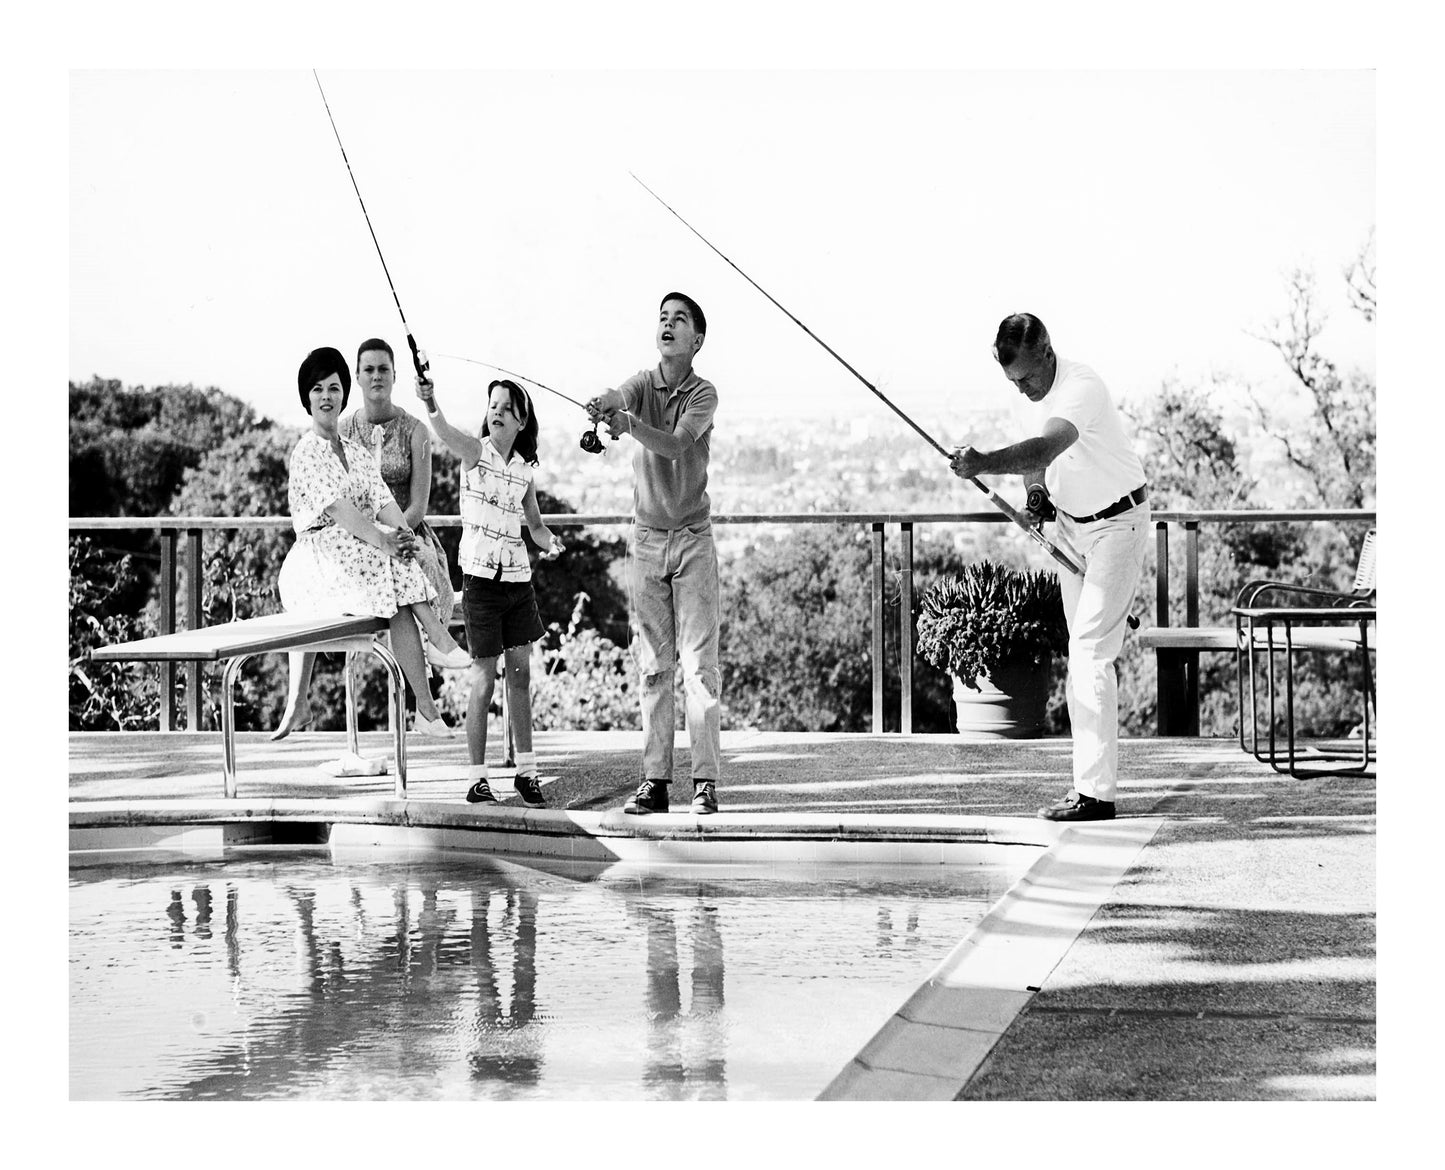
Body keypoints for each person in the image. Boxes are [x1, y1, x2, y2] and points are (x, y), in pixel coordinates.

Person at [949, 313, 1149, 822]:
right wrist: (1037, 496)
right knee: (1083, 651)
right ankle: (1086, 785)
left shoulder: (1080, 385)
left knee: (1089, 652)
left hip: (1117, 523)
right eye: (1013, 381)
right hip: (1072, 526)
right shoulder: (1026, 394)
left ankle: (1096, 794)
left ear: (1047, 352)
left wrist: (982, 462)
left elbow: (1045, 445)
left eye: (1028, 377)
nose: (1024, 389)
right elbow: (1036, 466)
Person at [276, 346, 469, 740]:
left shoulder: (356, 452)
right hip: (317, 560)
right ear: (307, 398)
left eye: (333, 388)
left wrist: (403, 535)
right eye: (317, 390)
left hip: (358, 556)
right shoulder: (307, 452)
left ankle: (427, 713)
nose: (326, 397)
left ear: (344, 392)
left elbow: (383, 501)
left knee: (396, 594)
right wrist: (385, 542)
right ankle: (438, 637)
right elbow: (342, 513)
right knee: (388, 564)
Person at [586, 292, 721, 816]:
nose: (667, 325)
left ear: (697, 340)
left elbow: (675, 444)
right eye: (662, 318)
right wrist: (604, 404)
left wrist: (628, 425)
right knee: (653, 668)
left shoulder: (703, 394)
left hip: (692, 541)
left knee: (698, 668)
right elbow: (618, 391)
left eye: (679, 319)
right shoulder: (643, 383)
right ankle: (655, 782)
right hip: (646, 542)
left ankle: (705, 782)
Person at [415, 373, 564, 808]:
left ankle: (527, 772)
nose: (496, 412)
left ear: (522, 422)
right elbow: (443, 433)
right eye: (492, 405)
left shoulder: (523, 472)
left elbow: (534, 525)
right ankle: (477, 778)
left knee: (520, 676)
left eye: (506, 408)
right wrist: (432, 401)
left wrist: (550, 542)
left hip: (518, 581)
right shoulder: (474, 453)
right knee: (483, 677)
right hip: (480, 581)